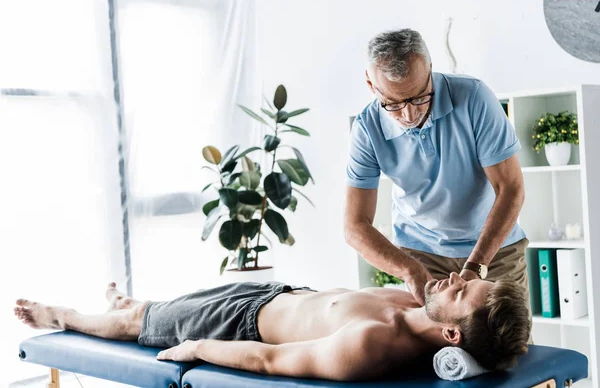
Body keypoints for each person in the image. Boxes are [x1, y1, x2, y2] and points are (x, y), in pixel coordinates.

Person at [14, 274, 530, 382]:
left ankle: (64, 316)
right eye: (469, 279)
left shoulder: (372, 345)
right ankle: (134, 303)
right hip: (273, 292)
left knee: (136, 325)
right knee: (157, 308)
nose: (456, 278)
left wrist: (196, 347)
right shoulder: (420, 302)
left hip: (239, 324)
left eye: (461, 292)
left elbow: (269, 360)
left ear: (452, 336)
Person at [344, 29, 530, 316]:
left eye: (420, 97)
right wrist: (409, 269)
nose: (409, 115)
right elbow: (355, 226)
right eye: (393, 104)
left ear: (430, 69)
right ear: (370, 84)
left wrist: (476, 265)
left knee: (508, 349)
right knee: (434, 352)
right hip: (423, 256)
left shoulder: (474, 97)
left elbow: (511, 188)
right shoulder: (367, 128)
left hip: (495, 252)